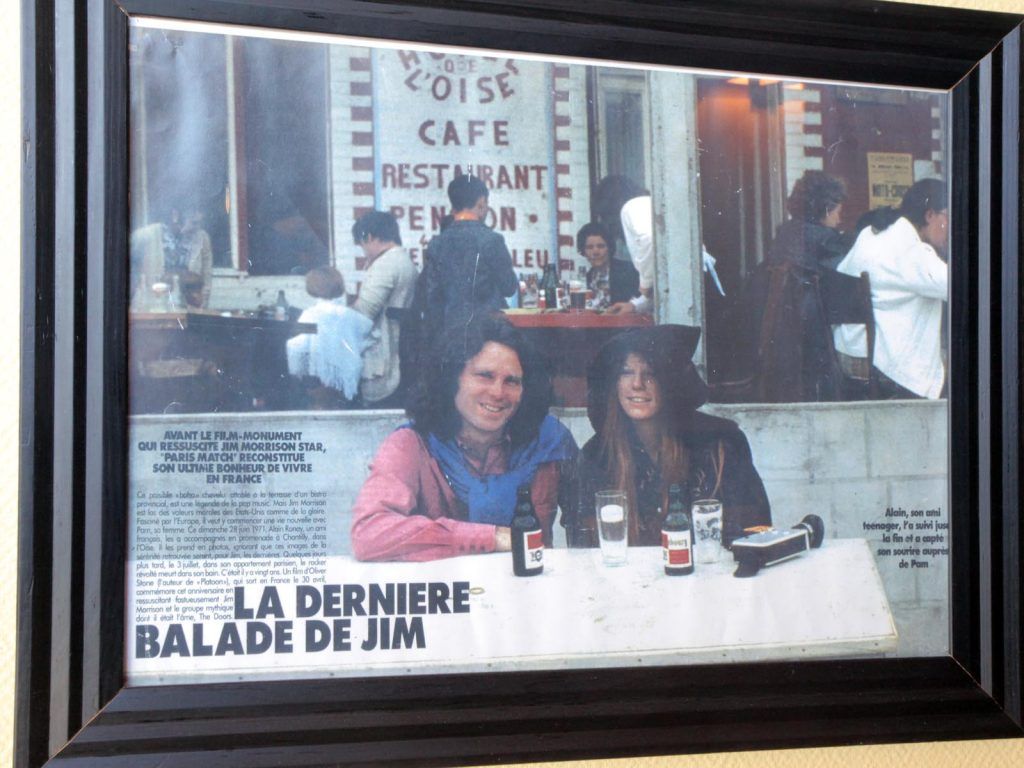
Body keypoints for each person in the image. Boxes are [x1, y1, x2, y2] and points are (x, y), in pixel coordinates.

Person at [351, 315, 577, 562]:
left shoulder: (550, 441)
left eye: (511, 381)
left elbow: (591, 521)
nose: (498, 393)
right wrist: (491, 538)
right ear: (451, 379)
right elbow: (368, 533)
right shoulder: (411, 444)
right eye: (485, 376)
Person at [565, 325, 771, 549]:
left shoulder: (720, 444)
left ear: (670, 383)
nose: (637, 384)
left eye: (650, 374)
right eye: (626, 372)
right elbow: (584, 549)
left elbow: (756, 531)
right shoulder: (597, 455)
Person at [833, 178, 949, 399]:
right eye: (949, 217)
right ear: (930, 215)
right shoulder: (912, 251)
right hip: (881, 366)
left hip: (850, 353)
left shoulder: (871, 235)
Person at [743, 171, 850, 401]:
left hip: (780, 349)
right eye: (838, 212)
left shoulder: (784, 235)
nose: (840, 220)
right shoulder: (828, 241)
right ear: (826, 209)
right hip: (812, 351)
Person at [351, 211, 418, 408]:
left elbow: (364, 313)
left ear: (369, 237)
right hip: (399, 355)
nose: (363, 251)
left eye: (361, 244)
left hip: (384, 360)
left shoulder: (385, 265)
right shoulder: (403, 260)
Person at [286, 266, 371, 407]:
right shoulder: (350, 315)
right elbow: (369, 337)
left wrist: (296, 373)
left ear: (312, 288)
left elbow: (297, 347)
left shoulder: (310, 314)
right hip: (347, 380)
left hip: (317, 379)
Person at [591, 175, 653, 315]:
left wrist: (646, 283)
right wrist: (635, 305)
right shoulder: (645, 204)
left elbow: (649, 239)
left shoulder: (633, 206)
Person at [130, 206, 214, 308]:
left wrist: (202, 308)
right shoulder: (144, 236)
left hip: (187, 310)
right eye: (193, 223)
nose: (197, 227)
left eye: (199, 223)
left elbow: (206, 279)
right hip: (154, 308)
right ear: (175, 216)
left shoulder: (202, 238)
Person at [575, 222, 640, 309]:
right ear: (584, 252)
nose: (595, 252)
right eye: (590, 247)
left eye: (601, 246)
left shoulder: (628, 271)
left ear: (609, 248)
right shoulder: (588, 277)